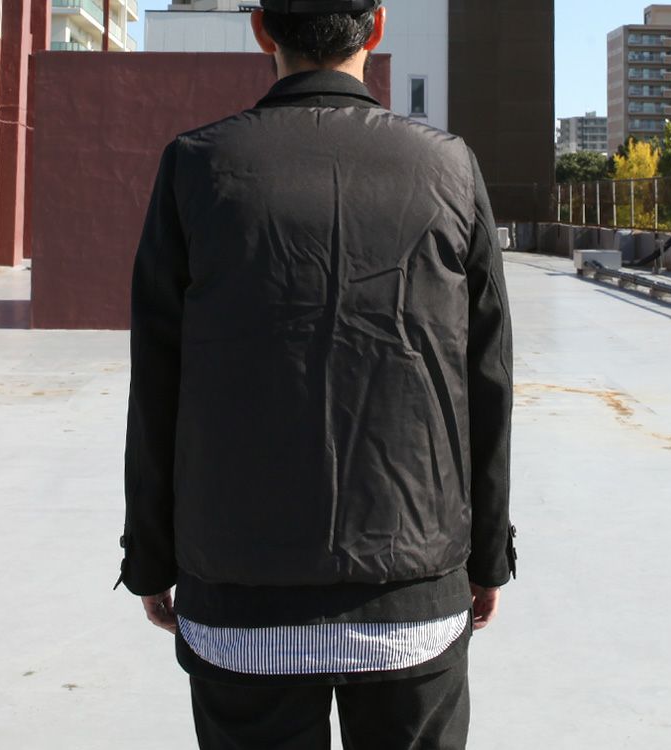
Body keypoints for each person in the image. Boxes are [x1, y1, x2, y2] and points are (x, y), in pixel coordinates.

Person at [116, 1, 516, 747]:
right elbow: (487, 378)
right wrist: (489, 552)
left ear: (262, 29)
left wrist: (149, 555)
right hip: (413, 595)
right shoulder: (449, 166)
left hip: (240, 599)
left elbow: (158, 381)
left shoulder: (197, 165)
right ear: (377, 27)